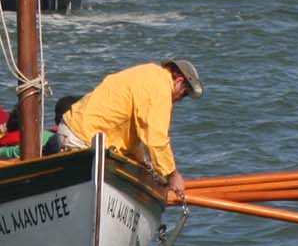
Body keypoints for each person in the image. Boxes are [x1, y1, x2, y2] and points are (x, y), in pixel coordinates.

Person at [58, 60, 201, 200]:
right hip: (82, 139)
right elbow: (156, 139)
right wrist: (172, 175)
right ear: (179, 81)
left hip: (76, 132)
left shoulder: (149, 75)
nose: (181, 99)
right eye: (185, 93)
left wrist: (139, 160)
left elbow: (129, 129)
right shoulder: (161, 87)